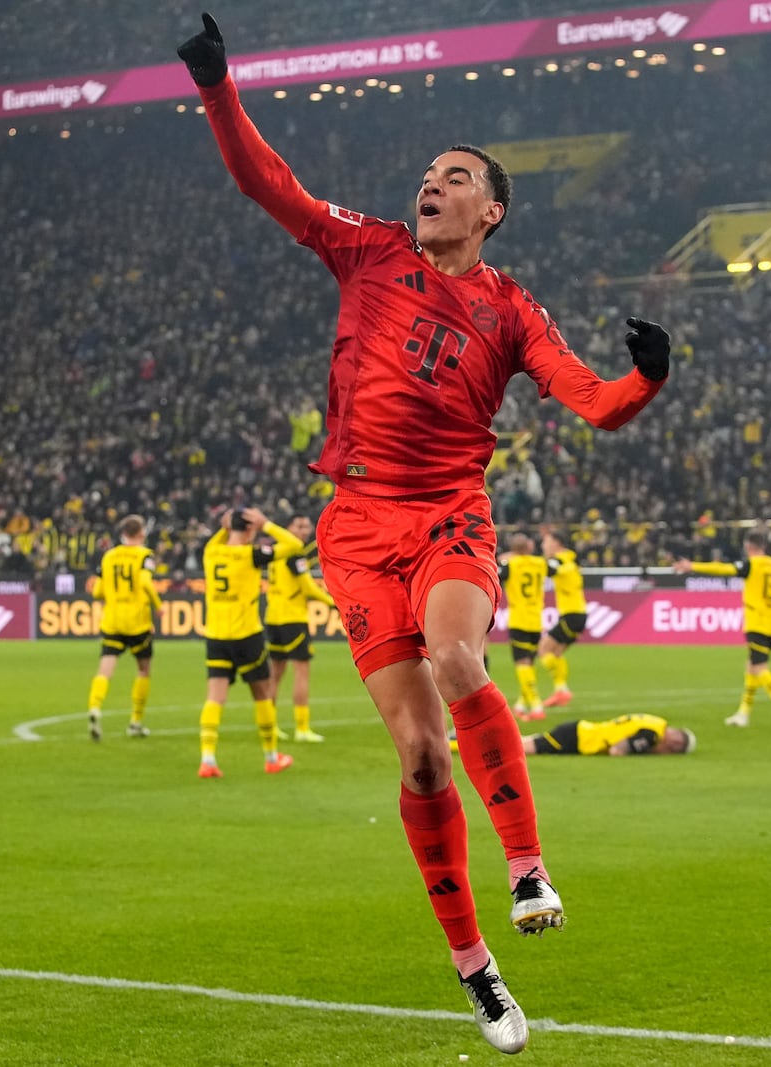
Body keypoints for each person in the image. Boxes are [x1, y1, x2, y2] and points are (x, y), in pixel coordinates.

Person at [179, 14, 671, 1054]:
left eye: (451, 176)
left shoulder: (511, 309)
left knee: (457, 654)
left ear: (490, 209)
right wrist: (218, 84)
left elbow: (592, 400)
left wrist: (647, 378)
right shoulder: (367, 251)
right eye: (426, 173)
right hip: (355, 525)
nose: (429, 184)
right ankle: (475, 968)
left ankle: (527, 864)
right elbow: (269, 185)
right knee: (416, 757)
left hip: (450, 507)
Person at [198, 507, 301, 777]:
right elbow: (294, 545)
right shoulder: (252, 555)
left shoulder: (211, 552)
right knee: (262, 694)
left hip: (216, 636)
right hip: (247, 634)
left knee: (215, 697)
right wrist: (267, 523)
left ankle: (207, 759)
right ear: (251, 529)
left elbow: (219, 538)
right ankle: (271, 757)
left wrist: (225, 528)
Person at [673, 530, 771, 728]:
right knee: (752, 666)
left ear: (748, 547)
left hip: (756, 621)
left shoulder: (752, 564)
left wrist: (692, 566)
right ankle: (743, 714)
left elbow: (724, 569)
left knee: (759, 667)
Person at [87, 515, 162, 741]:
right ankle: (135, 722)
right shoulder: (144, 556)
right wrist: (159, 607)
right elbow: (146, 583)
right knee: (143, 669)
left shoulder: (109, 556)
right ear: (140, 533)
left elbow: (97, 592)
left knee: (105, 669)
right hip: (137, 622)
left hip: (113, 620)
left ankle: (95, 707)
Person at [264, 513, 335, 743]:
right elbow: (307, 588)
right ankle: (302, 728)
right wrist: (333, 602)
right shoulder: (294, 554)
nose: (304, 530)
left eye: (306, 526)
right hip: (293, 619)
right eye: (299, 526)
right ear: (288, 528)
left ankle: (270, 725)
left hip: (273, 619)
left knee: (275, 674)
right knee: (301, 672)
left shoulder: (276, 553)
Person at [499, 533, 554, 721]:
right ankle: (522, 705)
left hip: (518, 619)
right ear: (529, 547)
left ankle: (536, 705)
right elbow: (553, 569)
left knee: (522, 665)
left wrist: (505, 560)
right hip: (536, 620)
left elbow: (497, 575)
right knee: (529, 664)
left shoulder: (510, 565)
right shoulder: (540, 563)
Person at [534, 530, 585, 709]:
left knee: (543, 650)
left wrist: (524, 561)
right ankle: (560, 691)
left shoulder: (561, 558)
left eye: (546, 542)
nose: (543, 546)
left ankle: (562, 689)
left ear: (557, 543)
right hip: (577, 614)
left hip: (572, 614)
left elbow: (550, 569)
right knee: (555, 654)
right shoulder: (570, 558)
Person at [523, 714, 696, 757]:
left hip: (581, 730)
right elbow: (617, 750)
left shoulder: (657, 722)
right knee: (526, 748)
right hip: (581, 739)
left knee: (527, 743)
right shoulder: (651, 735)